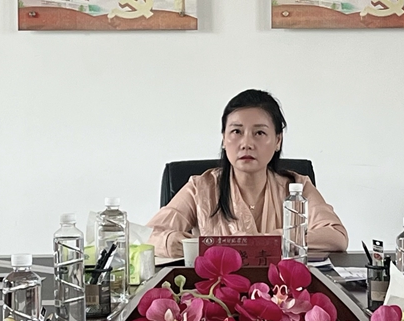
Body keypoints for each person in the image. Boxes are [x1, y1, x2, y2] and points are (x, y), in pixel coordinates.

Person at [148, 89, 348, 258]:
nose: (246, 143)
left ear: (278, 141)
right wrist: (177, 243)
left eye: (259, 133)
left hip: (282, 287)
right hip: (217, 288)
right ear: (223, 139)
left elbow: (336, 235)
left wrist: (268, 241)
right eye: (236, 132)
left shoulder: (297, 186)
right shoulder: (201, 188)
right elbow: (149, 237)